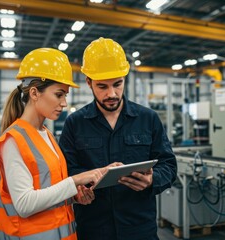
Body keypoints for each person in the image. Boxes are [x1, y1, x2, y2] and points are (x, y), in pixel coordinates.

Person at [59, 37, 177, 240]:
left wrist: (152, 180)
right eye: (102, 86)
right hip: (93, 228)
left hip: (139, 229)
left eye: (117, 84)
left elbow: (169, 166)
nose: (112, 93)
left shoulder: (148, 119)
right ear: (89, 82)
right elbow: (66, 171)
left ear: (125, 79)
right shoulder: (75, 123)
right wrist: (79, 190)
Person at [0, 48, 106, 240]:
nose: (64, 103)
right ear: (35, 93)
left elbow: (49, 189)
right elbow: (24, 204)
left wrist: (75, 196)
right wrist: (76, 180)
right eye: (59, 94)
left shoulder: (46, 134)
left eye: (65, 95)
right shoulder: (13, 140)